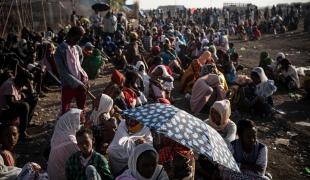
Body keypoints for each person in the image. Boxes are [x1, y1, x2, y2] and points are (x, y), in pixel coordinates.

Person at [55, 26, 88, 114]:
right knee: (65, 108)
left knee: (82, 107)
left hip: (80, 82)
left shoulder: (77, 48)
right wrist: (77, 83)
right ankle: (65, 126)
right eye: (76, 38)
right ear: (69, 36)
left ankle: (81, 123)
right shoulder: (60, 50)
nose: (77, 41)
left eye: (79, 39)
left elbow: (79, 61)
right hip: (68, 84)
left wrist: (81, 77)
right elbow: (62, 71)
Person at [47, 108, 85, 180]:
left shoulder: (60, 134)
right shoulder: (70, 141)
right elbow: (83, 159)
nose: (80, 126)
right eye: (79, 123)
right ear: (72, 122)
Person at [0, 71, 38, 139]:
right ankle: (21, 133)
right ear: (20, 79)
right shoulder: (9, 85)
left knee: (34, 98)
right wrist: (24, 99)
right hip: (3, 112)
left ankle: (26, 123)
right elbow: (11, 103)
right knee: (24, 105)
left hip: (10, 109)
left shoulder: (17, 82)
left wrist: (30, 86)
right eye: (24, 83)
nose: (23, 85)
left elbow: (31, 93)